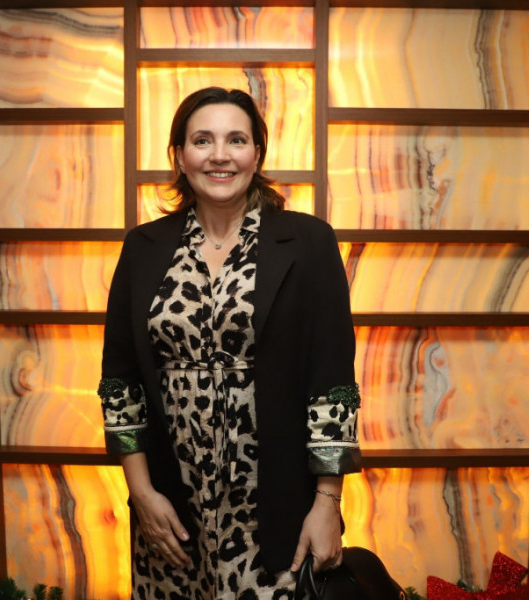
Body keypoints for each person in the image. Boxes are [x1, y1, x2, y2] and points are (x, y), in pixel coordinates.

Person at [98, 87, 362, 599]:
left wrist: (327, 503)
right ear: (179, 155)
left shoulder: (308, 242)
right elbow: (120, 385)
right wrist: (141, 493)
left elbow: (332, 384)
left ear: (256, 154)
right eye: (202, 140)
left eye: (236, 140)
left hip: (278, 504)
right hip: (171, 509)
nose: (219, 155)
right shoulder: (143, 247)